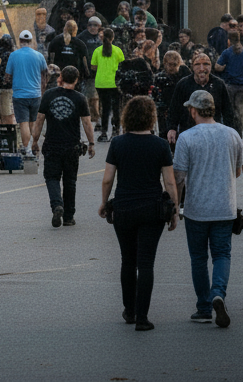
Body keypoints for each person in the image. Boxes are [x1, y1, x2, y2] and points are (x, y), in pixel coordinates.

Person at [98, 95, 179, 331]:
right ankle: (143, 317)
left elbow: (107, 179)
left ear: (127, 117)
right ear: (151, 118)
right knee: (146, 263)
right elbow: (170, 182)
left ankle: (129, 310)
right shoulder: (161, 144)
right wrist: (174, 210)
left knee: (127, 260)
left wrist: (104, 203)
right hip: (152, 209)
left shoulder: (118, 143)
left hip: (123, 208)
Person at [174, 89, 243, 328]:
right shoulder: (232, 135)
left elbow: (179, 177)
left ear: (193, 111)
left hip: (197, 209)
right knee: (222, 254)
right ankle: (218, 294)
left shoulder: (186, 137)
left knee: (198, 258)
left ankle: (203, 307)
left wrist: (175, 207)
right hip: (225, 206)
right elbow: (236, 171)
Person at [34, 66, 96, 227]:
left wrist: (34, 141)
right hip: (72, 147)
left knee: (52, 177)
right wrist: (91, 143)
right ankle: (68, 216)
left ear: (61, 77)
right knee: (70, 181)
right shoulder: (80, 98)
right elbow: (87, 123)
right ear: (76, 80)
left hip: (52, 145)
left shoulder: (48, 95)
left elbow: (39, 119)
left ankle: (57, 205)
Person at [165, 53, 234, 142]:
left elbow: (228, 111)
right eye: (197, 64)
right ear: (192, 67)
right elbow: (174, 109)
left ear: (211, 66)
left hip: (213, 134)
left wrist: (231, 131)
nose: (202, 68)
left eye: (206, 64)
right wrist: (172, 128)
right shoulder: (183, 84)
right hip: (189, 133)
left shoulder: (219, 84)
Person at [8, 30, 49, 156]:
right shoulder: (39, 56)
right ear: (31, 41)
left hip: (19, 95)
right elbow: (46, 73)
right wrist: (42, 87)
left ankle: (27, 149)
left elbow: (7, 76)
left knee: (23, 123)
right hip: (36, 94)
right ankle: (34, 146)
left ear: (20, 41)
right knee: (33, 123)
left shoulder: (13, 55)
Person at [214, 31, 243, 134]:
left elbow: (218, 67)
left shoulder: (227, 52)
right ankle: (239, 136)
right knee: (240, 114)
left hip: (230, 85)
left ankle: (230, 134)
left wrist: (225, 66)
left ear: (229, 40)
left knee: (229, 113)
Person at [91, 29, 126, 141]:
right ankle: (115, 131)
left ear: (102, 37)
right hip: (115, 83)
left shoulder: (97, 51)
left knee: (104, 108)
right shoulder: (118, 51)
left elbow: (93, 67)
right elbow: (123, 65)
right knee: (116, 108)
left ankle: (104, 132)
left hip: (101, 83)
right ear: (113, 38)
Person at [77, 18, 104, 125]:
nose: (92, 27)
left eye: (95, 25)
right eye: (90, 25)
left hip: (103, 71)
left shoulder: (103, 36)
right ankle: (95, 118)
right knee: (92, 97)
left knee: (101, 97)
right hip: (89, 72)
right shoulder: (82, 37)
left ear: (99, 26)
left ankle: (100, 118)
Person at [0, 34, 16, 131]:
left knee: (6, 113)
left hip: (5, 89)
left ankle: (9, 133)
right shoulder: (10, 55)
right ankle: (9, 133)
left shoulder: (3, 55)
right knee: (8, 112)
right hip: (10, 87)